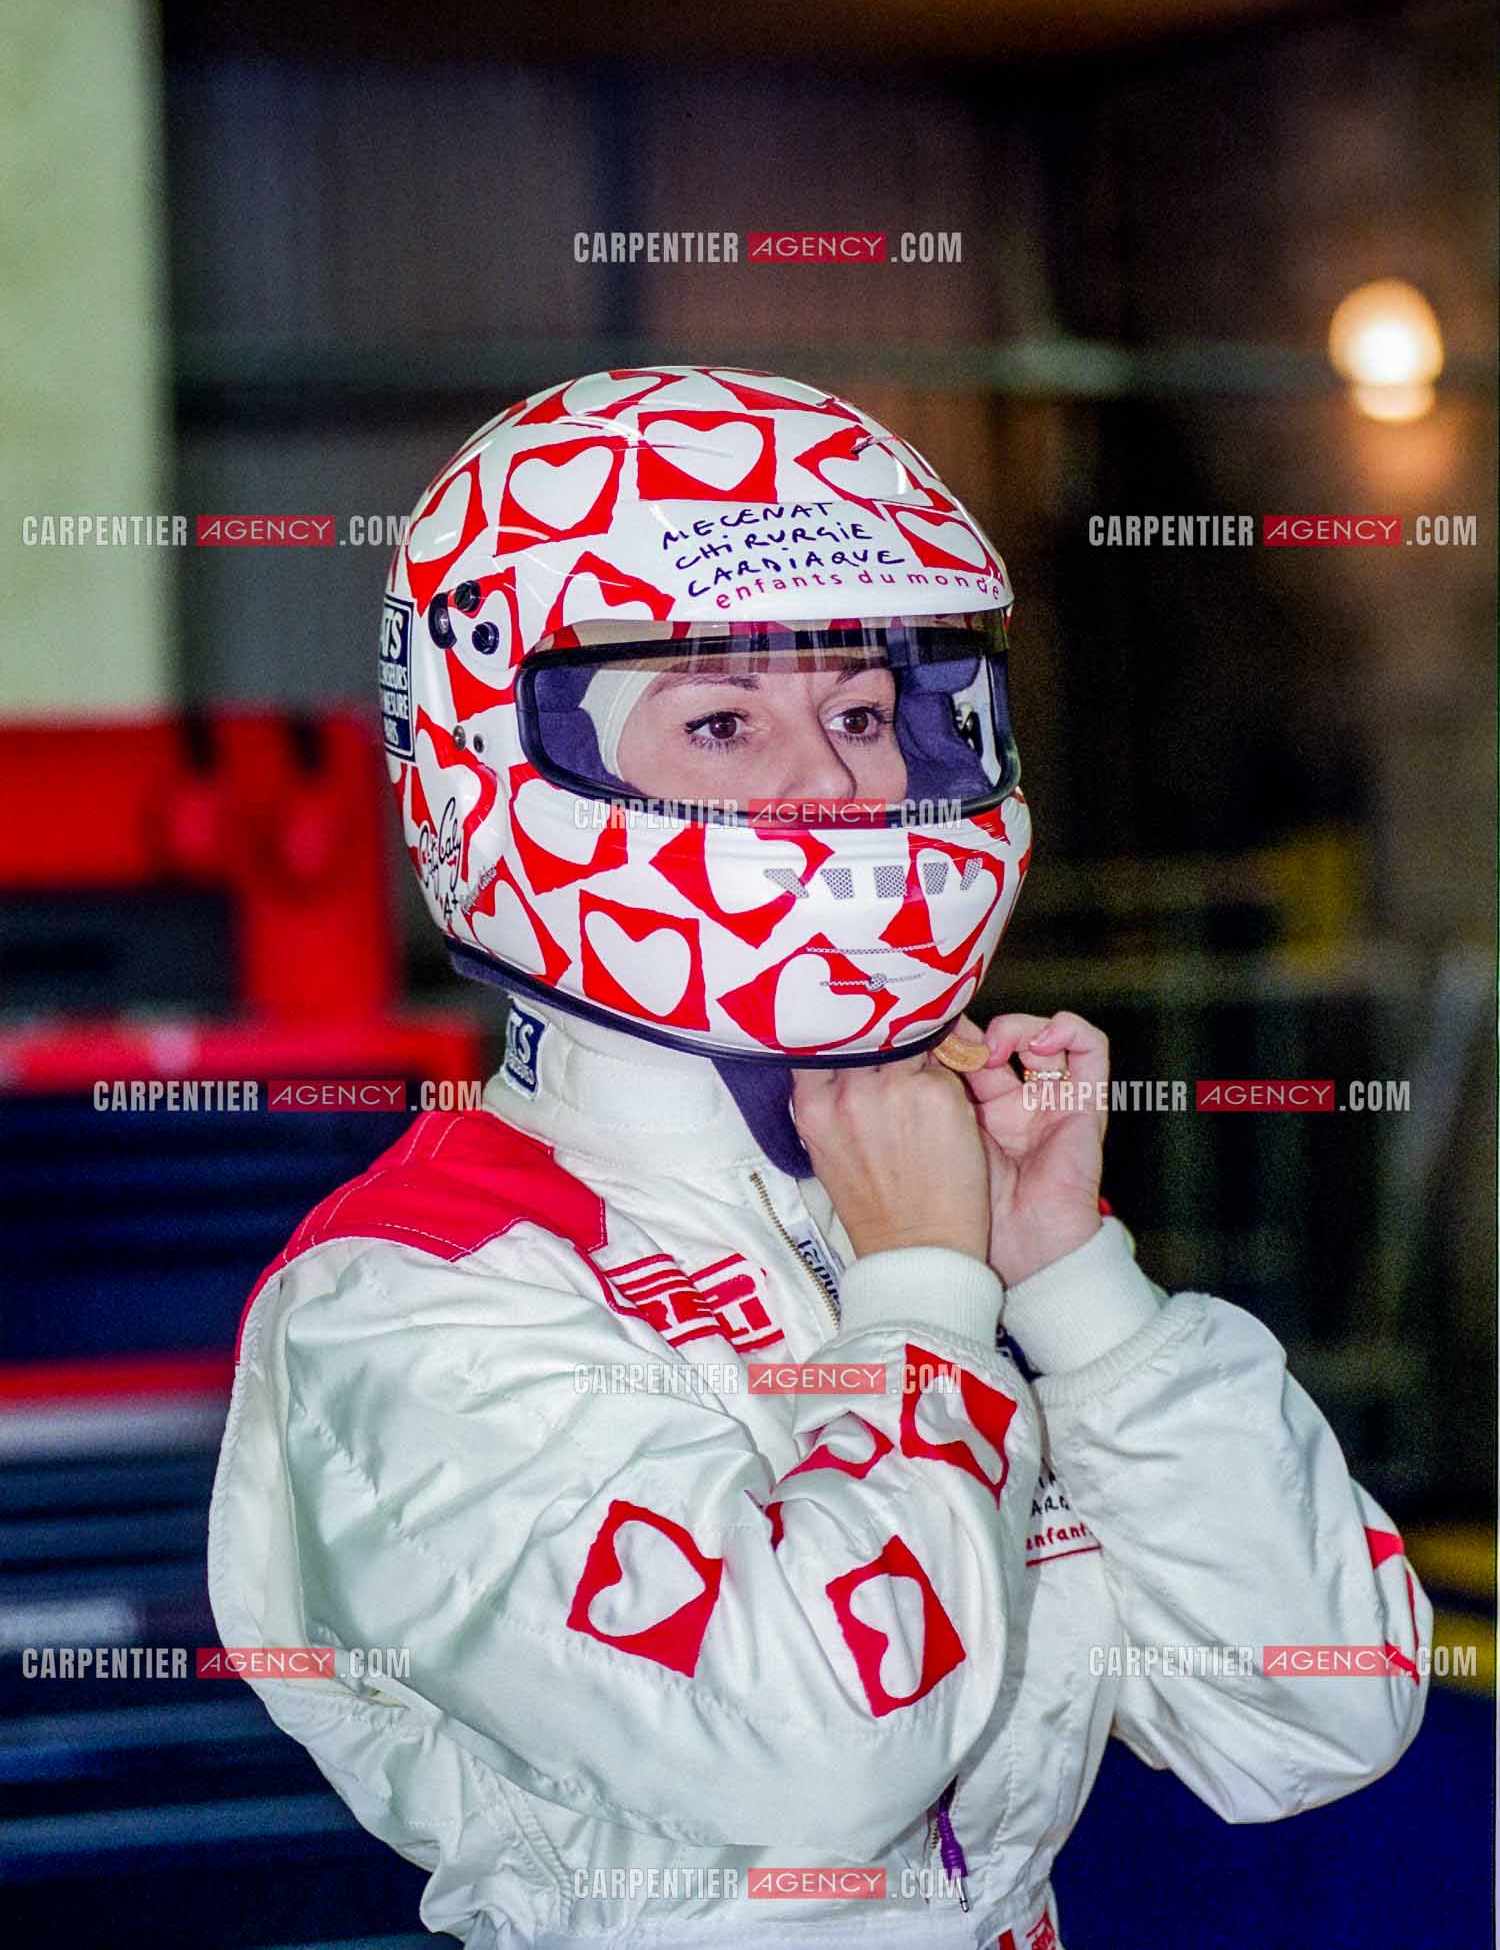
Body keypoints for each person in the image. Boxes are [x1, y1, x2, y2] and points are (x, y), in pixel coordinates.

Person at [209, 366, 1430, 1950]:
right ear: (495, 764)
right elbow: (812, 1761)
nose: (840, 785)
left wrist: (1068, 1278)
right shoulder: (409, 1295)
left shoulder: (890, 1204)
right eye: (725, 721)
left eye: (863, 713)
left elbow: (1313, 1711)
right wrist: (925, 1300)